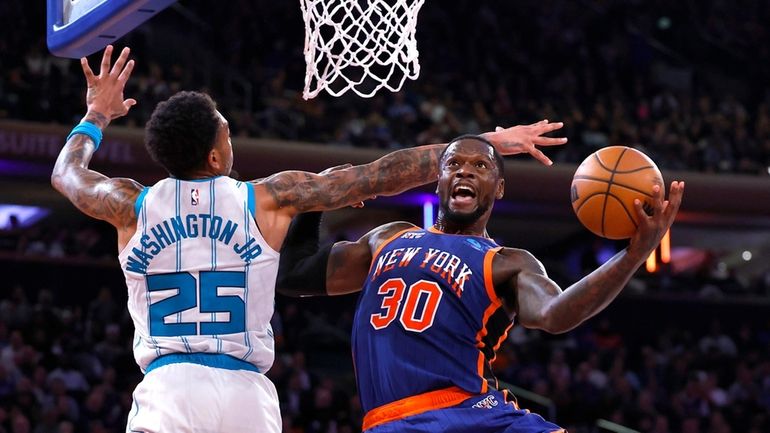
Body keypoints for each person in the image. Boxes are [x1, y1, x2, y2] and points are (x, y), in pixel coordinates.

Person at [50, 45, 567, 433]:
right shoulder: (267, 198)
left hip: (169, 387)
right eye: (226, 130)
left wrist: (96, 115)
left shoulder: (128, 205)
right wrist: (485, 146)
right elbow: (380, 175)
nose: (231, 137)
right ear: (214, 155)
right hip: (245, 396)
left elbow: (66, 174)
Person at [277, 135, 685, 432]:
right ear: (438, 181)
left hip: (476, 413)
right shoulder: (388, 237)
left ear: (499, 188)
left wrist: (632, 255)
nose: (465, 171)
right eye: (454, 164)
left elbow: (555, 314)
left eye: (481, 166)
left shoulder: (506, 263)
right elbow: (295, 275)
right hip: (394, 419)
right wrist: (316, 203)